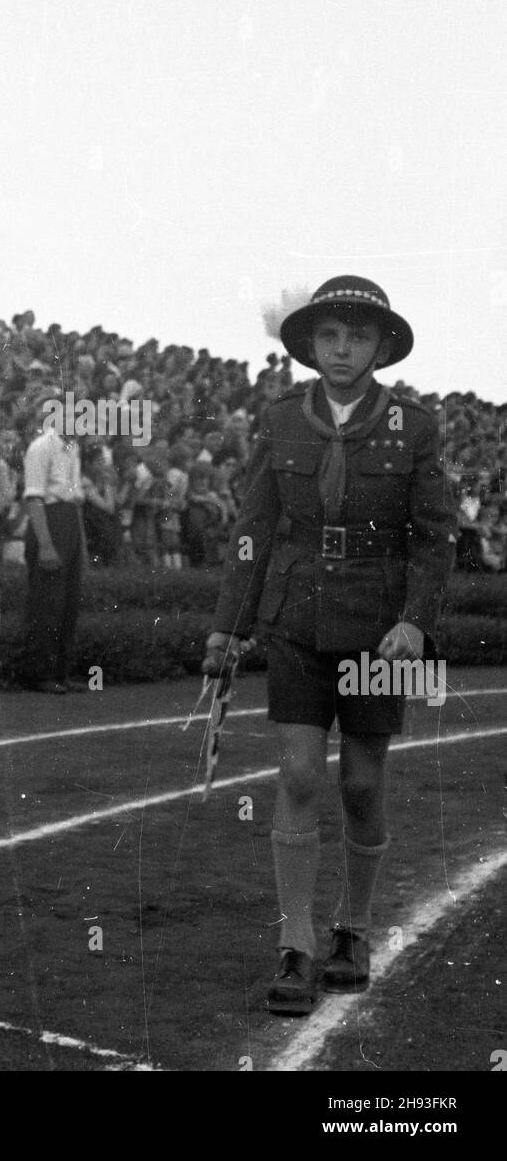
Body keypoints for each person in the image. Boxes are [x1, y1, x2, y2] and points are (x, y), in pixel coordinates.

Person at [203, 276, 455, 1015]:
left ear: (381, 348)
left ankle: (354, 928)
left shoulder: (415, 424)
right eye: (330, 337)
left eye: (358, 337)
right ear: (309, 346)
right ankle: (297, 943)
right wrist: (229, 622)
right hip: (297, 620)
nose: (342, 350)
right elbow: (253, 527)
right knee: (300, 771)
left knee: (363, 784)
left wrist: (415, 620)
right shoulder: (282, 418)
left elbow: (436, 537)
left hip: (380, 634)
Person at [21, 403, 86, 694]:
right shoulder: (40, 447)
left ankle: (62, 672)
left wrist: (79, 544)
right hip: (49, 520)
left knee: (68, 604)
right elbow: (34, 499)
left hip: (70, 520)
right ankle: (40, 673)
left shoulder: (73, 449)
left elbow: (73, 499)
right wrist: (46, 545)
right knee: (46, 603)